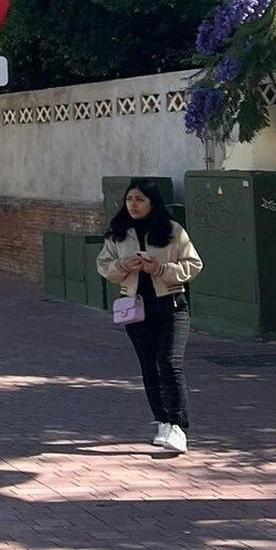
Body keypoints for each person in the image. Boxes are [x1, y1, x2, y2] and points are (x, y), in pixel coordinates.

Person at [97, 179, 203, 454]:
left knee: (169, 363)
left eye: (140, 199)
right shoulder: (118, 233)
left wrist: (160, 268)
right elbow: (104, 266)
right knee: (149, 366)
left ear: (152, 203)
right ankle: (162, 422)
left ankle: (178, 427)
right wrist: (123, 265)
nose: (133, 204)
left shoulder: (172, 230)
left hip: (171, 305)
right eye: (129, 199)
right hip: (135, 307)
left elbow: (193, 265)